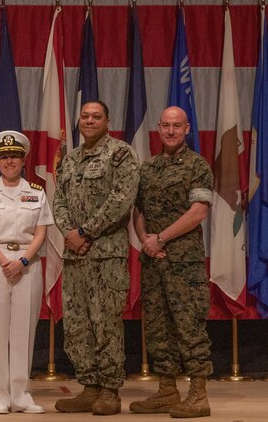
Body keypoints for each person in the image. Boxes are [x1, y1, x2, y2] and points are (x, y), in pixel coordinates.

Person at [53, 100, 140, 415]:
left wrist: (85, 232)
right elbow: (59, 198)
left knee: (106, 324)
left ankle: (109, 390)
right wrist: (69, 233)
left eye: (96, 117)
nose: (89, 121)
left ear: (107, 121)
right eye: (85, 116)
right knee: (77, 324)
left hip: (106, 255)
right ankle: (89, 386)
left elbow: (122, 199)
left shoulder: (120, 154)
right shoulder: (72, 159)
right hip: (75, 256)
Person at [129, 106, 213, 418]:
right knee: (157, 328)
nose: (171, 131)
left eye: (177, 126)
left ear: (187, 128)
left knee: (189, 326)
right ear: (159, 129)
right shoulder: (147, 168)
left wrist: (160, 238)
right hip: (153, 260)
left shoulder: (197, 165)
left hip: (183, 263)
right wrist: (145, 241)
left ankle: (198, 394)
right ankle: (167, 390)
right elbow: (137, 211)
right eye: (165, 126)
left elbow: (198, 212)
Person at [0, 131, 52, 415]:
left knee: (23, 331)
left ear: (23, 159)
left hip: (28, 263)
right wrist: (5, 261)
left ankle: (20, 393)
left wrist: (23, 261)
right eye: (4, 157)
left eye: (14, 156)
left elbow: (41, 232)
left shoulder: (37, 192)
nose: (9, 161)